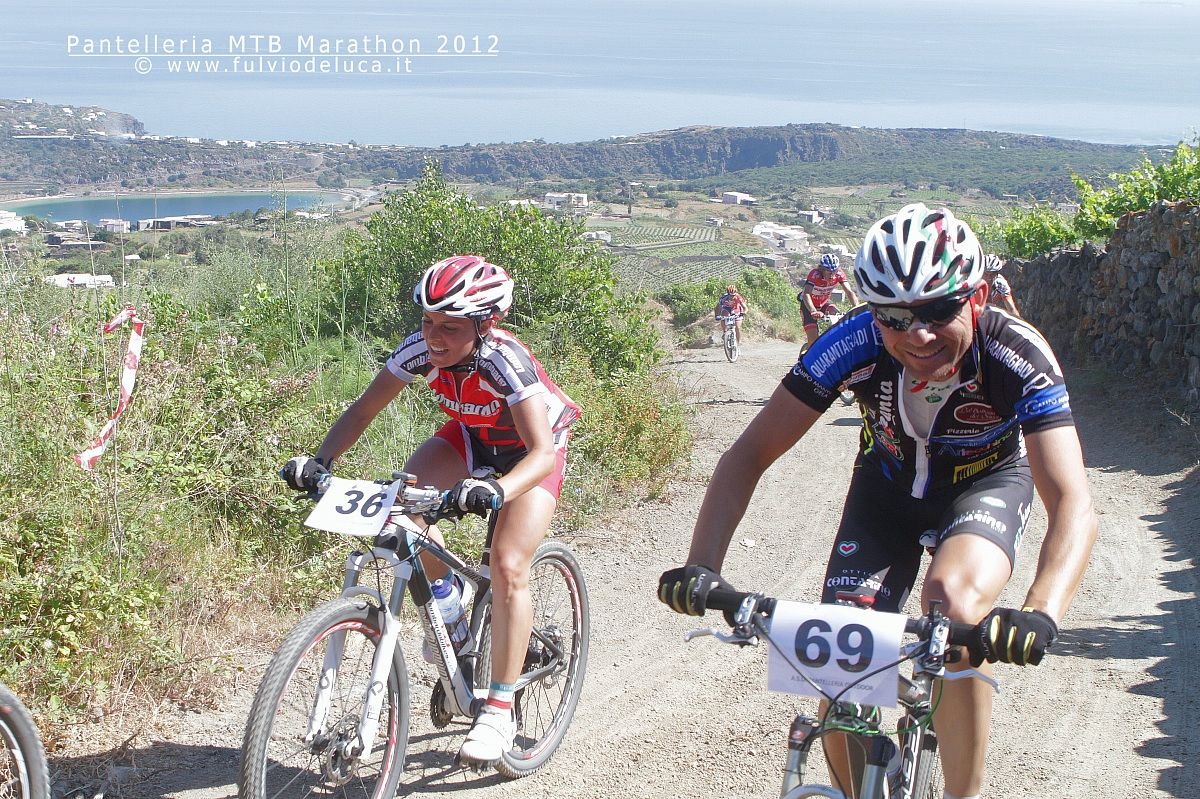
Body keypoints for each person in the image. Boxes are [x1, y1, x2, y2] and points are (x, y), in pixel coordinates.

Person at [658, 204, 1097, 799]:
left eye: (938, 310)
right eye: (893, 316)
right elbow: (749, 454)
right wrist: (703, 564)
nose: (918, 335)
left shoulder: (1014, 351)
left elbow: (1071, 499)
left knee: (953, 608)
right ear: (871, 313)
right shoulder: (853, 342)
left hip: (985, 483)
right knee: (839, 647)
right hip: (886, 490)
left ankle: (961, 794)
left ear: (976, 297)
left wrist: (1041, 610)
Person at [282, 255, 580, 766]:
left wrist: (498, 489)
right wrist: (320, 461)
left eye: (450, 327)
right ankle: (449, 602)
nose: (433, 337)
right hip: (471, 438)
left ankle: (499, 710)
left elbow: (541, 454)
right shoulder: (419, 350)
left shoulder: (503, 361)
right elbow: (364, 409)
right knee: (401, 514)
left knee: (509, 563)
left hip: (532, 451)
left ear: (485, 324)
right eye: (427, 321)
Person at [798, 253, 860, 353]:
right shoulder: (815, 274)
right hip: (809, 306)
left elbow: (849, 292)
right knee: (813, 340)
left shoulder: (839, 274)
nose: (832, 275)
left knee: (836, 313)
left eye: (834, 271)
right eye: (829, 272)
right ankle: (805, 357)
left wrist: (857, 308)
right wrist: (813, 311)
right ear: (822, 270)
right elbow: (806, 294)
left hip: (823, 304)